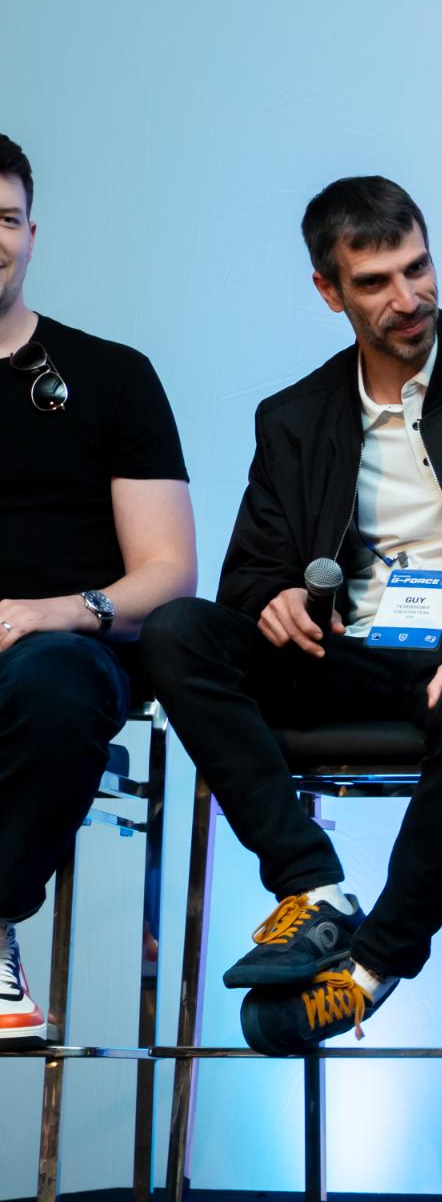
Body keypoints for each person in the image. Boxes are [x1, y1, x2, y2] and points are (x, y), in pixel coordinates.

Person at [142, 176, 442, 1054]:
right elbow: (251, 573)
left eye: (418, 268)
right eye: (375, 283)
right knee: (176, 634)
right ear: (329, 292)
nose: (409, 299)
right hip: (358, 651)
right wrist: (273, 599)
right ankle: (313, 889)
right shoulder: (294, 418)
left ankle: (370, 970)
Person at [0, 133, 198, 1047]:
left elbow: (168, 572)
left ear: (33, 234)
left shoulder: (112, 377)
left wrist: (48, 613)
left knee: (52, 685)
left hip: (60, 652)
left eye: (4, 219)